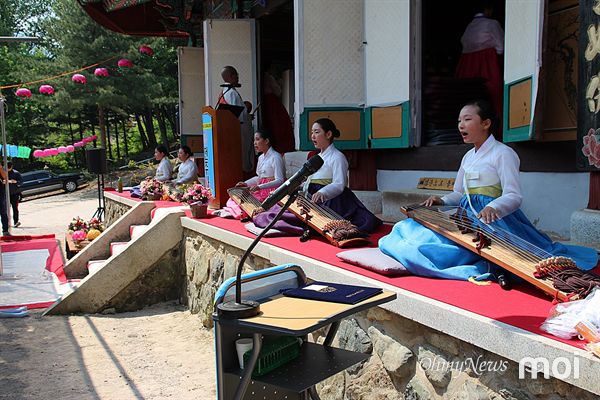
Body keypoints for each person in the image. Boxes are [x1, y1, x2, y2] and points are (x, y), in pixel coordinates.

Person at [379, 100, 598, 282]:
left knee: (450, 250)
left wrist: (493, 207)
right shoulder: (468, 156)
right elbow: (459, 193)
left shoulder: (503, 153)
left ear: (486, 123)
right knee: (406, 228)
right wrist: (442, 200)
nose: (460, 125)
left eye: (467, 119)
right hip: (465, 216)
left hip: (493, 219)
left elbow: (514, 195)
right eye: (459, 121)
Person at [455, 1, 504, 119]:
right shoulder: (492, 23)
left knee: (469, 99)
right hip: (487, 65)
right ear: (488, 9)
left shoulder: (469, 26)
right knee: (493, 95)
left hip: (467, 66)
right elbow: (501, 48)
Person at [223, 130, 286, 219]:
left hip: (271, 192)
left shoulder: (276, 157)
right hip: (260, 188)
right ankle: (243, 213)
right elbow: (259, 177)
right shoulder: (260, 158)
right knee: (234, 199)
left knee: (250, 202)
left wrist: (260, 187)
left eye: (257, 139)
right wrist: (246, 183)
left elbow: (280, 180)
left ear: (266, 141)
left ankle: (245, 213)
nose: (255, 143)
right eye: (254, 140)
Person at [218, 65, 255, 175]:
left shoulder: (224, 92)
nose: (238, 77)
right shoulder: (231, 93)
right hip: (240, 131)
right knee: (244, 158)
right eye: (236, 75)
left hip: (233, 131)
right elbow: (236, 116)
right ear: (231, 76)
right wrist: (248, 116)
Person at [6, 162, 22, 227]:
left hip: (14, 193)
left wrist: (16, 182)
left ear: (11, 166)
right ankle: (6, 223)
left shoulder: (16, 173)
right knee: (5, 209)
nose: (8, 169)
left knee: (15, 208)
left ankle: (16, 222)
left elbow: (21, 182)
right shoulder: (2, 172)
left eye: (9, 168)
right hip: (5, 193)